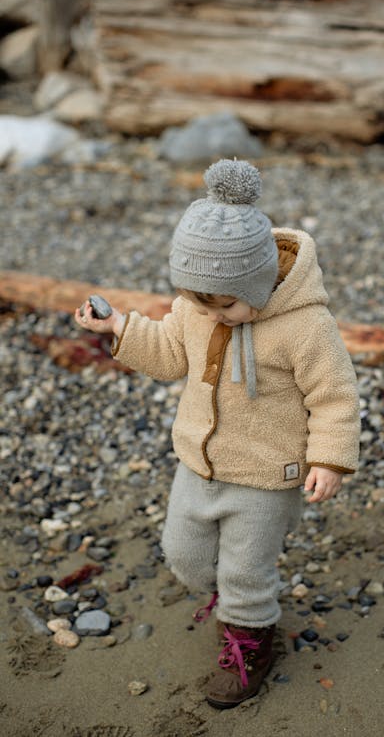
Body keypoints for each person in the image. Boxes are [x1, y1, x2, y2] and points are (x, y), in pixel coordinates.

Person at [75, 159, 360, 709]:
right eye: (200, 302)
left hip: (266, 474)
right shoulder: (199, 307)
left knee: (246, 570)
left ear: (255, 283)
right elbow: (166, 353)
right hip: (198, 462)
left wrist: (329, 459)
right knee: (183, 555)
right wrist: (119, 327)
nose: (214, 315)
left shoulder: (305, 327)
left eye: (226, 304)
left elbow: (335, 396)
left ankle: (252, 638)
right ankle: (229, 600)